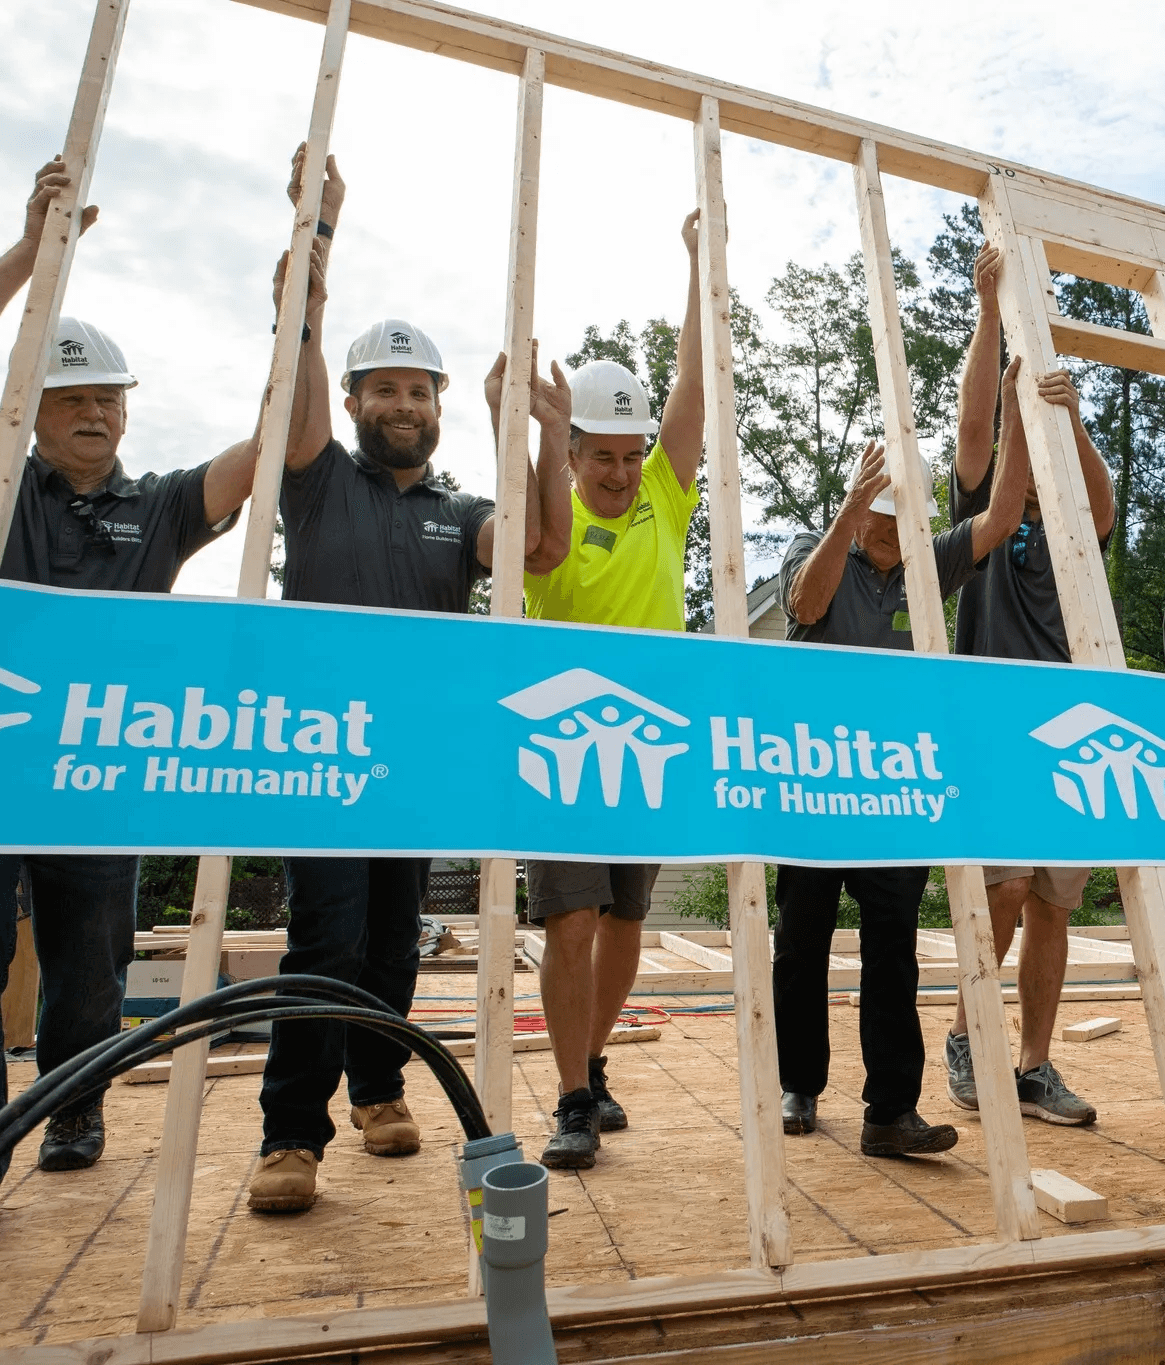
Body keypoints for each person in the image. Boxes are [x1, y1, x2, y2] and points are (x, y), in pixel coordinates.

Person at [246, 153, 569, 1213]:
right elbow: (291, 346)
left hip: (415, 750)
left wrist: (537, 431)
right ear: (349, 402)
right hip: (322, 748)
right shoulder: (315, 475)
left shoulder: (459, 507)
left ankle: (378, 1092)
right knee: (324, 934)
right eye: (381, 387)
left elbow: (544, 551)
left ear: (434, 406)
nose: (400, 402)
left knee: (392, 934)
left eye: (416, 389)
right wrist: (316, 233)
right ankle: (290, 1135)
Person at [0, 157, 273, 1218]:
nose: (97, 411)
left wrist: (296, 310)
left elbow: (260, 451)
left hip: (99, 762)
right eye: (72, 398)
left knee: (90, 954)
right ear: (35, 408)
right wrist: (28, 253)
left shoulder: (156, 508)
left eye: (109, 396)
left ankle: (73, 1108)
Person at [774, 381, 1029, 1153]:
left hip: (893, 789)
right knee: (802, 940)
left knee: (894, 949)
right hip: (816, 781)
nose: (889, 540)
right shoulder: (818, 547)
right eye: (880, 526)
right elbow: (806, 605)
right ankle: (800, 1085)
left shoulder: (927, 559)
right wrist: (851, 510)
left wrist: (1013, 415)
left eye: (899, 526)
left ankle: (890, 1110)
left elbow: (1004, 515)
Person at [520, 212, 708, 1171]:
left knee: (630, 920)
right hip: (563, 748)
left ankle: (591, 1065)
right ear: (572, 452)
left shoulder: (664, 501)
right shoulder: (549, 513)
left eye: (633, 455)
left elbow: (691, 387)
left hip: (646, 746)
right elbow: (524, 523)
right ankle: (565, 1100)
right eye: (604, 454)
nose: (625, 470)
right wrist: (529, 425)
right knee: (570, 919)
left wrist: (694, 268)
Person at [942, 244, 1115, 1127]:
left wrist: (1071, 417)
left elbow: (1106, 503)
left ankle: (1036, 1063)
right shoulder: (988, 521)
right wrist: (988, 327)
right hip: (995, 728)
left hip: (1070, 730)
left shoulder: (1075, 533)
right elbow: (975, 436)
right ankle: (971, 1034)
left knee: (1054, 897)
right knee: (1002, 890)